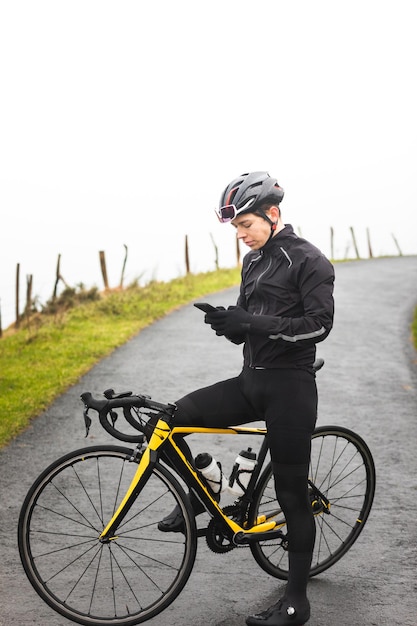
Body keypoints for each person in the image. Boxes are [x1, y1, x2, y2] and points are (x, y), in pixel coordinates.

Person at [158, 171, 335, 626]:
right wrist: (232, 325)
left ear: (273, 215)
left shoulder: (309, 260)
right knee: (171, 419)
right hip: (249, 381)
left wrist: (254, 324)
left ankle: (296, 602)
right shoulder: (254, 262)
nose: (240, 236)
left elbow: (319, 325)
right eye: (235, 229)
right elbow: (249, 330)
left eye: (246, 226)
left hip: (290, 390)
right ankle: (209, 490)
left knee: (291, 495)